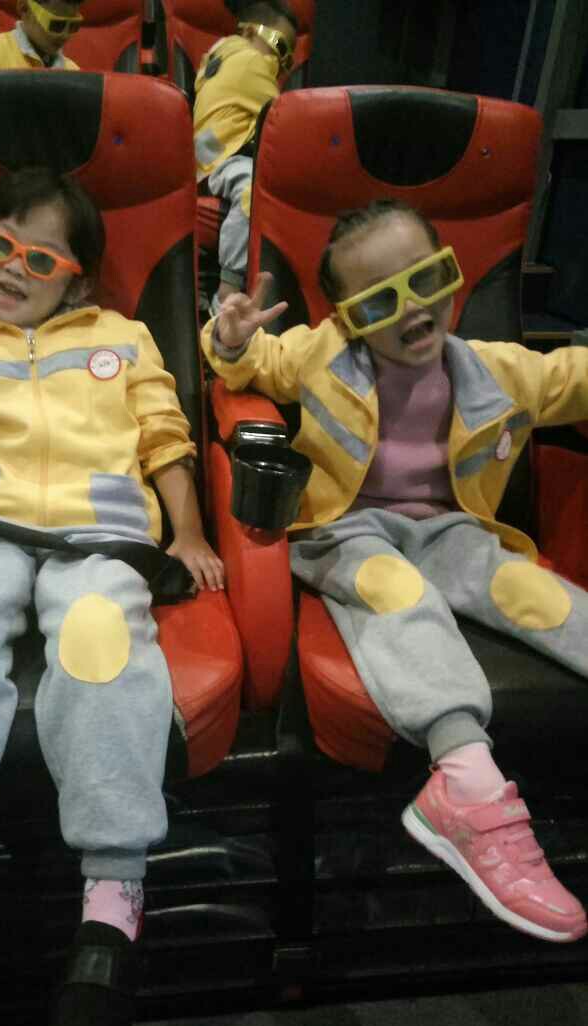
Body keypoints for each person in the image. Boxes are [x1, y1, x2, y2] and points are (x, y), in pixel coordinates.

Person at [0, 165, 224, 1026]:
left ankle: (113, 897)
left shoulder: (122, 336)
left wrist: (188, 532)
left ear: (78, 280)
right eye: (0, 245)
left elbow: (164, 436)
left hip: (101, 539)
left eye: (40, 257)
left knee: (100, 636)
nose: (12, 267)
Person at [202, 197, 588, 944]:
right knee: (399, 595)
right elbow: (252, 364)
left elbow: (570, 376)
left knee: (533, 590)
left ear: (452, 274)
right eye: (381, 302)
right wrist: (230, 335)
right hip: (344, 529)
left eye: (427, 280)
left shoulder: (496, 371)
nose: (413, 310)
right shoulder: (322, 355)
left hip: (450, 529)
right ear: (347, 319)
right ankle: (466, 786)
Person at [192, 0, 297, 314]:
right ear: (250, 32)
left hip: (207, 159)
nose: (281, 61)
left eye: (289, 58)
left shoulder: (219, 54)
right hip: (226, 157)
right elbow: (288, 118)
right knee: (254, 189)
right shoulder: (250, 62)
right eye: (279, 46)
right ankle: (228, 292)